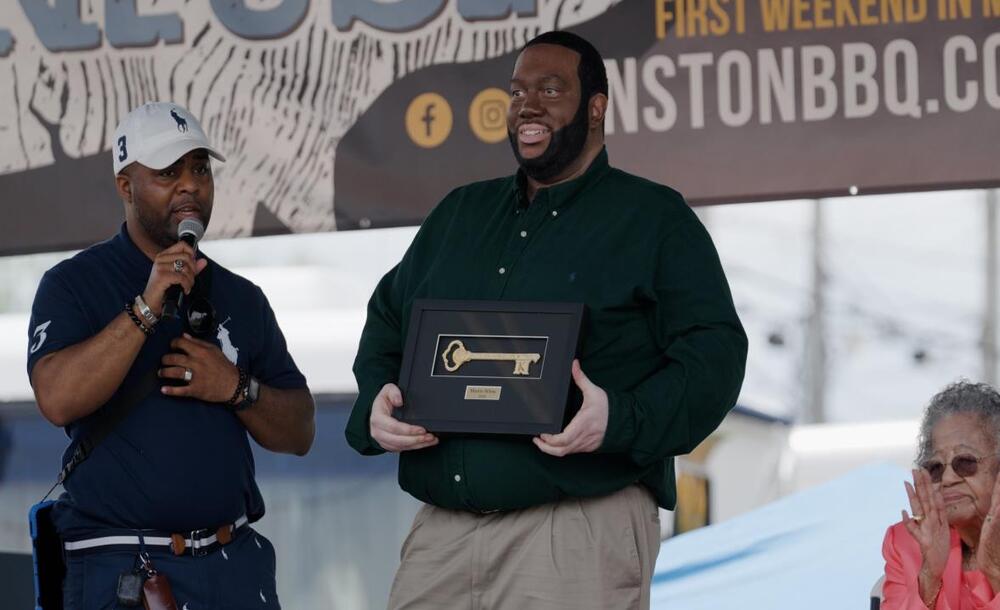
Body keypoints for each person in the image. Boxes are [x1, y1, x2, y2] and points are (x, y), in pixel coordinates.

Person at [345, 31, 747, 609]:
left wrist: (620, 419)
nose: (527, 106)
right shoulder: (460, 213)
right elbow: (388, 320)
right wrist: (376, 405)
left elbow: (716, 358)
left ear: (596, 107)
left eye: (550, 89)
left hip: (576, 530)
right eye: (516, 92)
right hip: (442, 535)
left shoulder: (654, 219)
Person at [27, 102, 315, 608]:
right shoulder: (72, 284)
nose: (190, 185)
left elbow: (300, 432)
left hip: (233, 566)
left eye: (200, 168)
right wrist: (145, 307)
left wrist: (234, 387)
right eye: (167, 172)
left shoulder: (241, 296)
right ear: (125, 186)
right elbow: (56, 399)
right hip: (124, 570)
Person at [883, 381, 1000, 609]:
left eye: (965, 462)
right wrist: (928, 577)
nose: (947, 479)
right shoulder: (907, 543)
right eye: (935, 468)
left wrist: (995, 572)